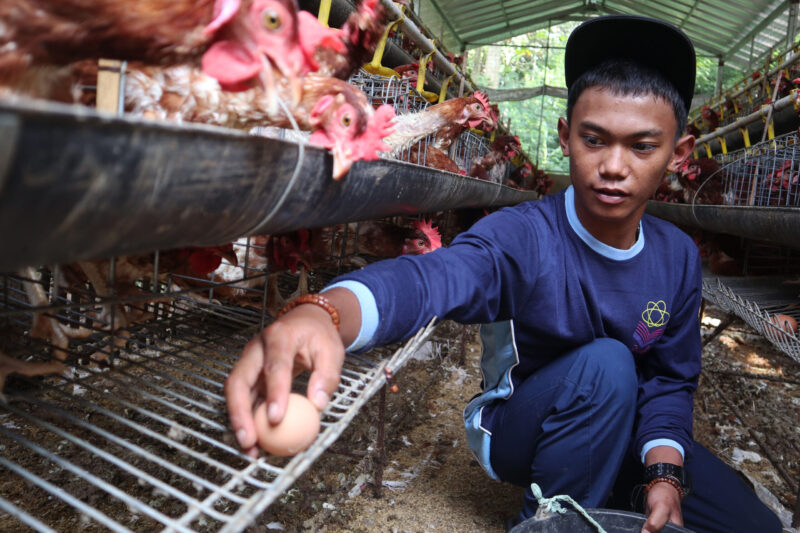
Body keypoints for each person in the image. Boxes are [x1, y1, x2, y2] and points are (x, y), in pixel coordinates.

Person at [225, 15, 783, 533]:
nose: (614, 167)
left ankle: (616, 477)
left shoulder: (677, 255)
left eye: (642, 146)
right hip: (519, 426)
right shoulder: (525, 235)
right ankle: (549, 517)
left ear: (678, 152)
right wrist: (325, 311)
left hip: (619, 421)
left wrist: (664, 474)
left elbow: (669, 379)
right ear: (565, 136)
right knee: (608, 365)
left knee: (754, 525)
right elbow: (435, 279)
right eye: (594, 139)